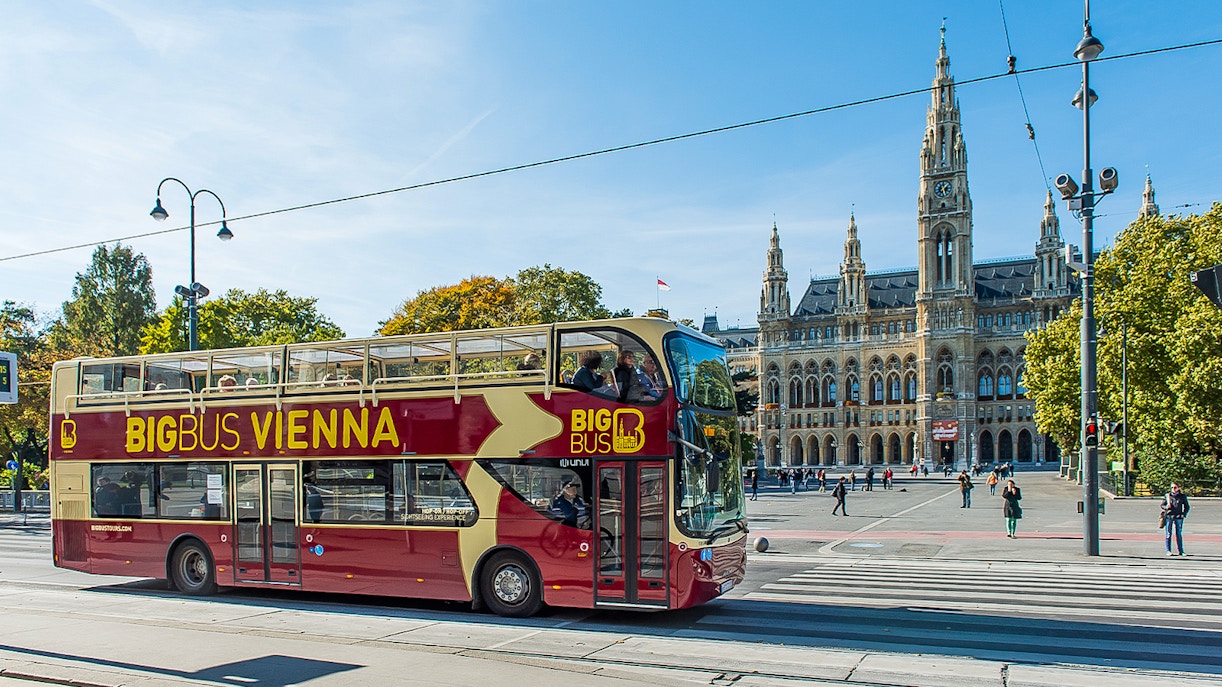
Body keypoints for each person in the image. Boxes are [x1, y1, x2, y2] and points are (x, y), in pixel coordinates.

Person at [1162, 483, 1190, 556]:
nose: (1173, 489)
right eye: (1172, 488)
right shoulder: (1168, 496)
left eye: (1175, 487)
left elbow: (1187, 507)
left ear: (1178, 488)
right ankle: (1168, 550)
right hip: (1169, 516)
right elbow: (1162, 505)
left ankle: (1181, 551)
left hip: (1178, 517)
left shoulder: (1182, 496)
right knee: (1168, 534)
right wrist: (1166, 507)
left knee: (1179, 534)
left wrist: (1184, 514)